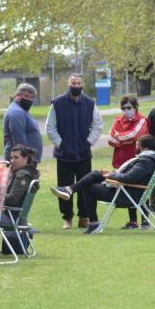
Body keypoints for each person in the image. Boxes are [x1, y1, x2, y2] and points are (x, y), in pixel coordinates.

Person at [51, 135, 155, 233]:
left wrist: (111, 176)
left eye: (137, 145)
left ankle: (93, 221)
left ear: (145, 148)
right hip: (128, 191)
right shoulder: (150, 159)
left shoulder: (145, 162)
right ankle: (69, 190)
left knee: (88, 187)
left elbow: (128, 178)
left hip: (128, 195)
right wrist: (110, 174)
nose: (135, 147)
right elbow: (130, 177)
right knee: (96, 174)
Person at [46, 73, 104, 230]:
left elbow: (98, 125)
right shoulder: (57, 104)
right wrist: (61, 144)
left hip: (83, 153)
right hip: (64, 155)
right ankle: (67, 218)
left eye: (79, 83)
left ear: (82, 84)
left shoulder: (90, 103)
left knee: (86, 187)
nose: (76, 86)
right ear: (68, 83)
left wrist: (88, 142)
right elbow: (50, 127)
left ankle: (84, 217)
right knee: (64, 187)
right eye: (73, 83)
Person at [107, 95, 149, 227]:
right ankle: (133, 221)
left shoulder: (142, 120)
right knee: (126, 188)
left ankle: (145, 220)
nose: (126, 110)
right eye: (124, 108)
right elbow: (110, 137)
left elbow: (136, 135)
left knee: (141, 189)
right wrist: (123, 141)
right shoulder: (118, 119)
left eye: (129, 107)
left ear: (135, 107)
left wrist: (119, 138)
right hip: (120, 159)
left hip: (136, 160)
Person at [3, 83, 43, 163]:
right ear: (17, 96)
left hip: (27, 159)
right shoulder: (16, 113)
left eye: (31, 97)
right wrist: (25, 159)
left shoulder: (22, 110)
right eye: (26, 96)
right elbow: (19, 140)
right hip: (21, 161)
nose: (29, 99)